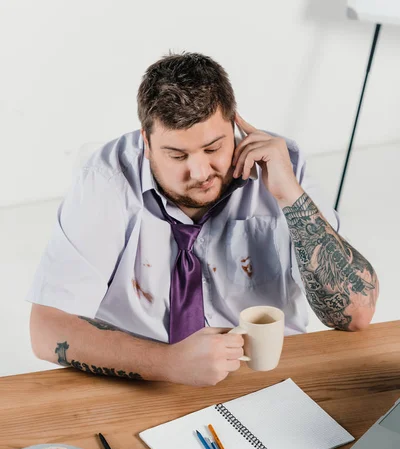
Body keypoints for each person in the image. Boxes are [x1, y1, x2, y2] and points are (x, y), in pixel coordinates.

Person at [28, 52, 379, 387]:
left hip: (265, 378)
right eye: (177, 154)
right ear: (146, 143)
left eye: (213, 149)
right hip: (141, 377)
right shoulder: (106, 179)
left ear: (235, 125)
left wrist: (290, 196)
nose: (200, 172)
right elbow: (46, 331)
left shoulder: (284, 165)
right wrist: (168, 363)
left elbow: (356, 315)